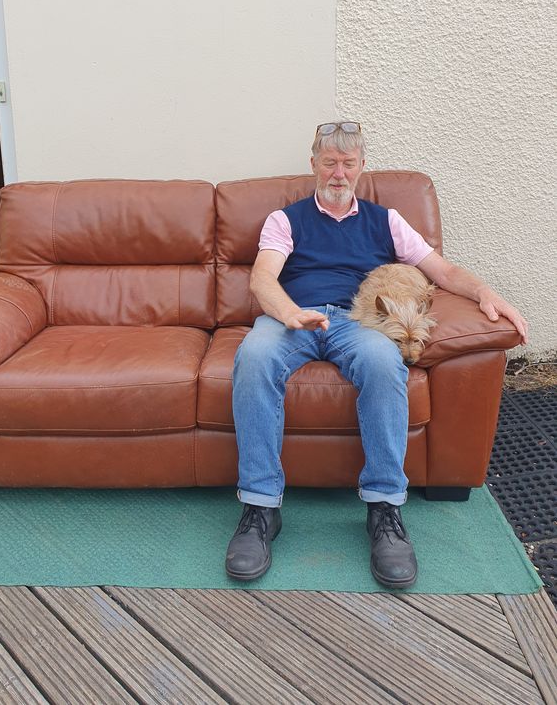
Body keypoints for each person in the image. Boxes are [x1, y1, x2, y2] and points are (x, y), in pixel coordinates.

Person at [225, 121, 528, 588]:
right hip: (294, 316)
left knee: (386, 363)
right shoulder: (285, 219)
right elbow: (263, 277)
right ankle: (260, 510)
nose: (338, 173)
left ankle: (385, 509)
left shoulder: (386, 220)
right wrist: (288, 312)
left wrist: (487, 292)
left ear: (362, 168)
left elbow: (442, 271)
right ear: (314, 166)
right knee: (253, 356)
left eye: (348, 163)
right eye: (329, 162)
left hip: (360, 320)